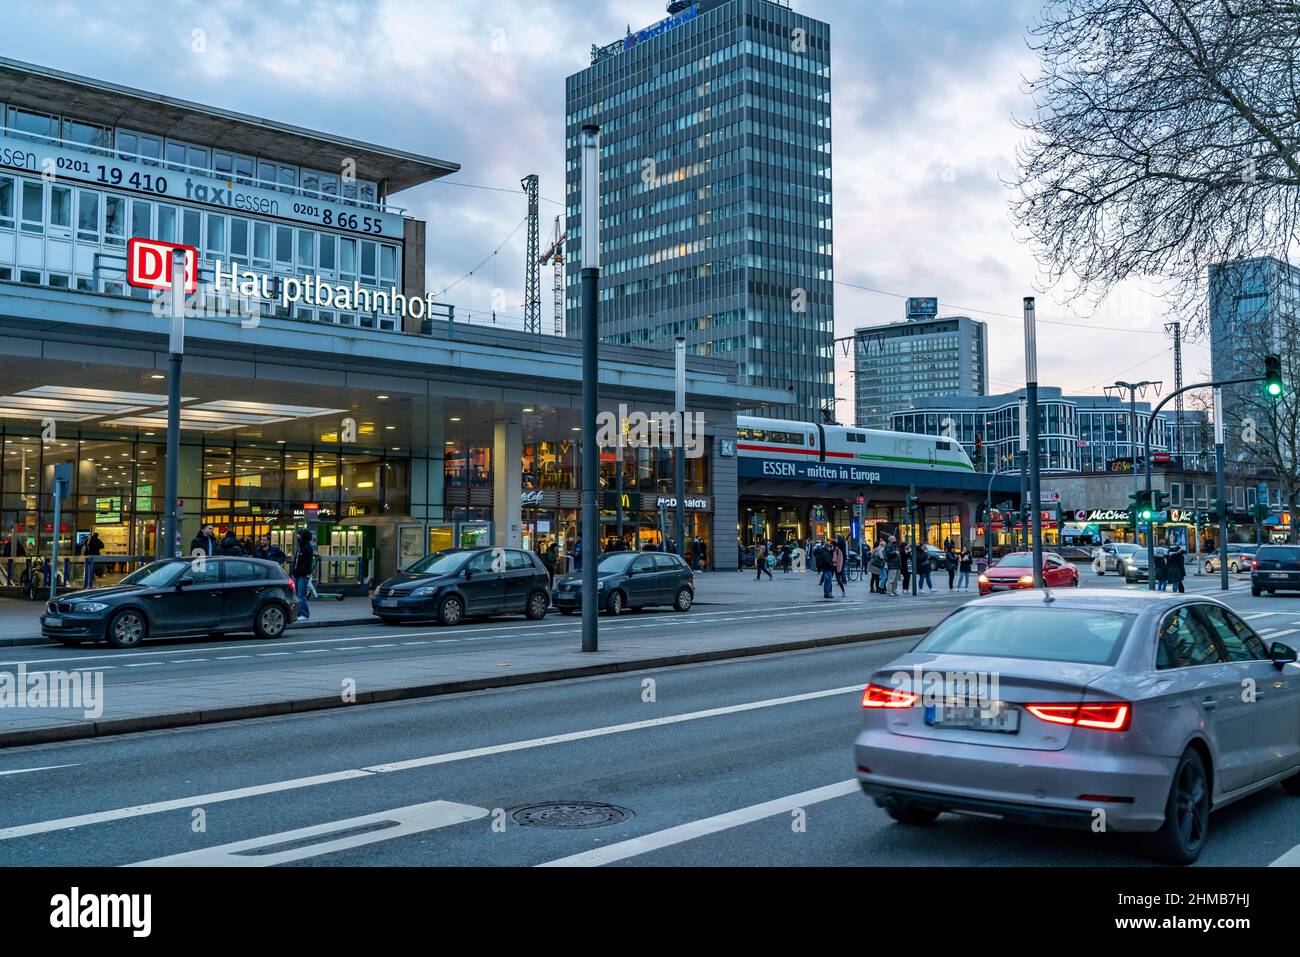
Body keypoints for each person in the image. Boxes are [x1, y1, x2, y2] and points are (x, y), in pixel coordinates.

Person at [292, 527, 315, 620]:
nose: (297, 535)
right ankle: (299, 613)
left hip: (303, 575)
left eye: (299, 534)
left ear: (303, 536)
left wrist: (299, 572)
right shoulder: (301, 547)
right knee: (298, 595)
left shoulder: (306, 548)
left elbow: (305, 564)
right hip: (299, 575)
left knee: (301, 595)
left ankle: (304, 614)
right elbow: (296, 561)